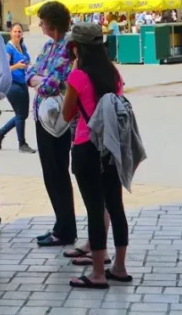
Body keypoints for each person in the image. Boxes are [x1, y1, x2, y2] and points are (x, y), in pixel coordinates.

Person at [61, 23, 132, 289]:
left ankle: (98, 273)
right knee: (116, 206)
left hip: (86, 146)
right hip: (111, 148)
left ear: (77, 47)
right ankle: (120, 267)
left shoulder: (78, 76)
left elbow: (67, 115)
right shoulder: (113, 73)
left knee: (94, 209)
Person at [30, 1, 78, 248]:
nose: (40, 25)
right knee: (49, 173)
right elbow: (30, 72)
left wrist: (40, 80)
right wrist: (39, 79)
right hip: (41, 116)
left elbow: (51, 84)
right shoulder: (48, 46)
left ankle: (66, 229)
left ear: (53, 23)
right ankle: (61, 224)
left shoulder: (66, 49)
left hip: (58, 120)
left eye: (42, 21)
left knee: (58, 172)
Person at [0, 24, 34, 153]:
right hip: (12, 84)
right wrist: (17, 66)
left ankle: (1, 132)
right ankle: (22, 144)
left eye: (19, 31)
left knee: (23, 114)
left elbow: (27, 61)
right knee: (20, 114)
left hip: (22, 83)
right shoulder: (8, 48)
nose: (17, 34)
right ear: (10, 33)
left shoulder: (22, 47)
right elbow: (5, 69)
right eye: (15, 31)